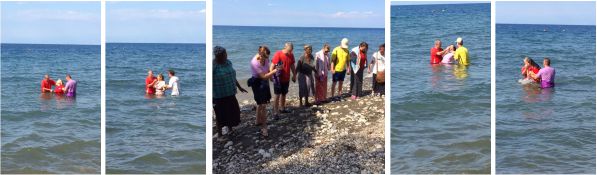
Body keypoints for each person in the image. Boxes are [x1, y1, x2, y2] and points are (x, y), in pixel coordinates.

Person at [213, 46, 247, 137]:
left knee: (232, 112)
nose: (226, 56)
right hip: (219, 95)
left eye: (226, 54)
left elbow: (232, 76)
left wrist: (239, 87)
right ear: (218, 56)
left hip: (230, 93)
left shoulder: (228, 63)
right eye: (224, 55)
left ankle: (230, 129)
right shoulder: (213, 66)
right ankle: (220, 135)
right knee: (220, 115)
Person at [249, 46, 278, 137]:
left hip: (264, 82)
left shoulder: (266, 59)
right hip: (257, 83)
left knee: (261, 103)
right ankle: (264, 128)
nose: (267, 59)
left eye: (268, 57)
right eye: (265, 57)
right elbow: (263, 76)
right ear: (260, 55)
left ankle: (258, 121)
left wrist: (272, 76)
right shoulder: (254, 62)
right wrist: (275, 71)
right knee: (263, 105)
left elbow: (267, 71)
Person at [270, 42, 296, 117]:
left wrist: (294, 75)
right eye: (289, 50)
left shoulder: (291, 55)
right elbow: (272, 66)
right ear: (285, 48)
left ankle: (282, 108)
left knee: (284, 94)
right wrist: (271, 76)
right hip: (278, 79)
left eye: (291, 50)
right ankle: (275, 112)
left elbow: (292, 65)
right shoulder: (278, 54)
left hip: (286, 78)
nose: (290, 52)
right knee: (277, 95)